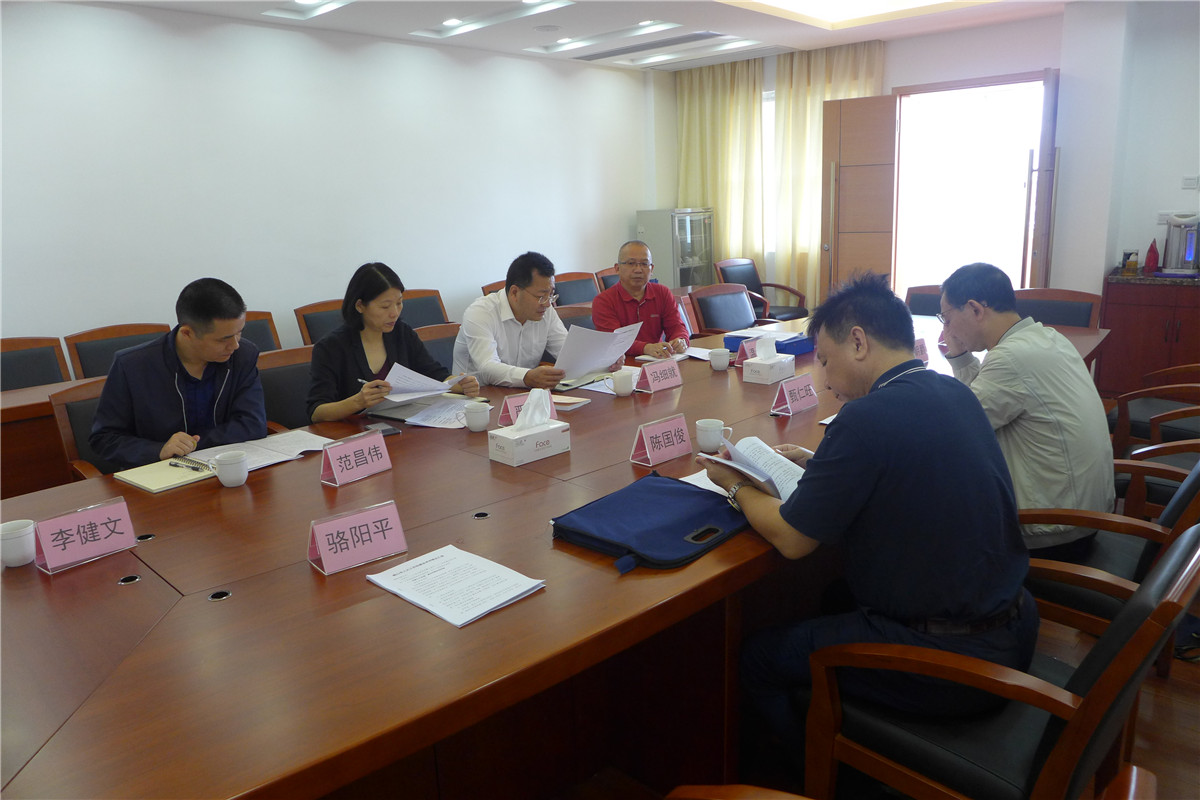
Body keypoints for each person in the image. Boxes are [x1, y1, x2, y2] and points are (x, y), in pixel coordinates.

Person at [696, 273, 1036, 752]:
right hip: (1013, 624)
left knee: (758, 658)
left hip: (954, 661)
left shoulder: (864, 418)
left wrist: (734, 484)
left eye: (825, 360)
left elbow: (793, 540)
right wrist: (820, 463)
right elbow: (906, 465)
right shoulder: (953, 391)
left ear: (858, 342)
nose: (826, 379)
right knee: (835, 595)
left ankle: (818, 775)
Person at [939, 262, 1115, 557]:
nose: (947, 329)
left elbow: (958, 429)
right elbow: (976, 407)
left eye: (947, 318)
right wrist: (959, 355)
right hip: (1085, 512)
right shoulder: (1047, 337)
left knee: (934, 508)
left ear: (975, 309)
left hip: (1054, 530)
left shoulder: (1010, 358)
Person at [90, 278, 268, 470]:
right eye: (223, 339)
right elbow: (105, 438)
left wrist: (191, 445)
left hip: (226, 467)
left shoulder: (243, 356)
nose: (235, 345)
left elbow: (253, 424)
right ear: (187, 333)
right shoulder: (132, 366)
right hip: (160, 474)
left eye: (239, 332)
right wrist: (158, 450)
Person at [307, 262, 479, 422]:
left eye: (399, 303)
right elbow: (316, 412)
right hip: (354, 433)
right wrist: (358, 402)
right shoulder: (330, 347)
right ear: (360, 306)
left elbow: (434, 374)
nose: (394, 313)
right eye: (385, 306)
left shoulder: (402, 333)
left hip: (401, 426)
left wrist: (460, 384)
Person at [454, 251, 621, 388]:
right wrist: (526, 377)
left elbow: (568, 352)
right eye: (541, 296)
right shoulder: (480, 313)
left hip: (523, 395)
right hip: (477, 399)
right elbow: (487, 367)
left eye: (551, 294)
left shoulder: (545, 311)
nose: (548, 303)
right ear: (514, 292)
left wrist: (606, 360)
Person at [591, 240, 689, 359]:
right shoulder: (603, 301)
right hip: (623, 364)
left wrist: (680, 339)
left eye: (644, 264)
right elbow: (614, 341)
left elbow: (676, 326)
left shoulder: (662, 293)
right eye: (631, 263)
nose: (638, 270)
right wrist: (646, 348)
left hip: (657, 360)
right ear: (617, 268)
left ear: (651, 269)